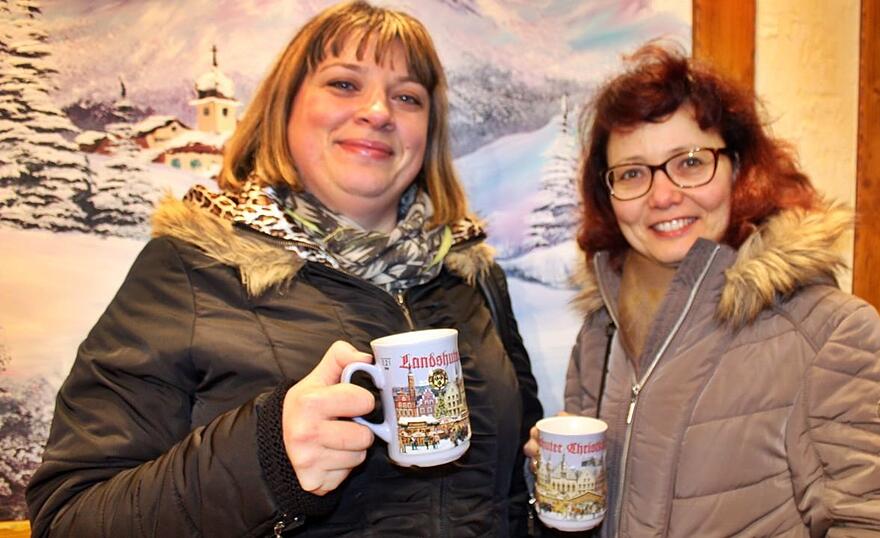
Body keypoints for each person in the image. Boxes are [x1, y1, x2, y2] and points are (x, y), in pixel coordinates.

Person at [27, 2, 542, 536]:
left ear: (428, 132)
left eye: (407, 96)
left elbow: (507, 490)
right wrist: (266, 457)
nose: (378, 111)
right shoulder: (189, 265)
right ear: (285, 107)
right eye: (344, 84)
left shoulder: (471, 275)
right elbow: (70, 517)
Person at [524, 44, 880, 537]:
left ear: (739, 168)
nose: (662, 195)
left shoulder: (826, 332)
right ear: (608, 194)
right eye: (632, 173)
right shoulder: (600, 336)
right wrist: (562, 489)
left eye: (690, 162)